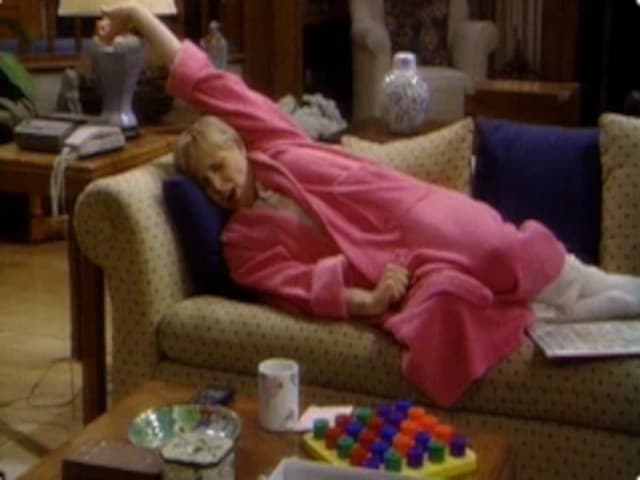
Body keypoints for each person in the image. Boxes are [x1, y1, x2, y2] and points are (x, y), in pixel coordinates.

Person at [97, 3, 640, 406]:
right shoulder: (242, 244)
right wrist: (368, 299)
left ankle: (593, 286)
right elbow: (298, 287)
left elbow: (205, 81)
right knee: (451, 309)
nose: (217, 185)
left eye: (219, 165)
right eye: (205, 181)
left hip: (410, 209)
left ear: (240, 145)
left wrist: (139, 17)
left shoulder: (276, 142)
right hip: (394, 267)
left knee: (498, 250)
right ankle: (574, 310)